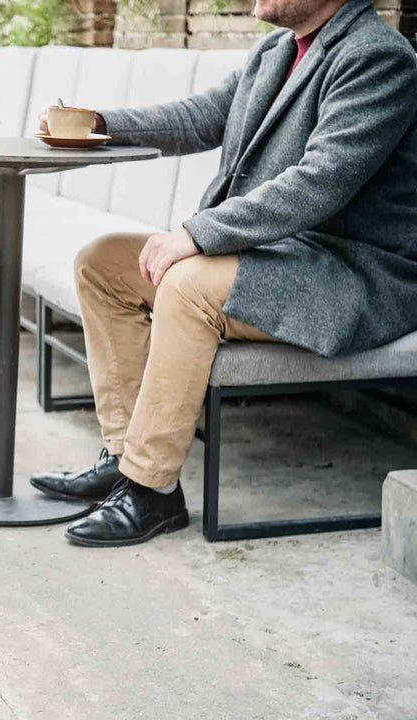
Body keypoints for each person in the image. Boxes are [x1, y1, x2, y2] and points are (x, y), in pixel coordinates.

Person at [31, 0, 417, 547]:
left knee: (187, 285)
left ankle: (152, 490)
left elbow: (322, 180)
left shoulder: (378, 57)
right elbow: (195, 119)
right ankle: (124, 456)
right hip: (283, 257)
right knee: (104, 264)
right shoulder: (277, 52)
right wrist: (99, 124)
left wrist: (198, 233)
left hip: (351, 271)